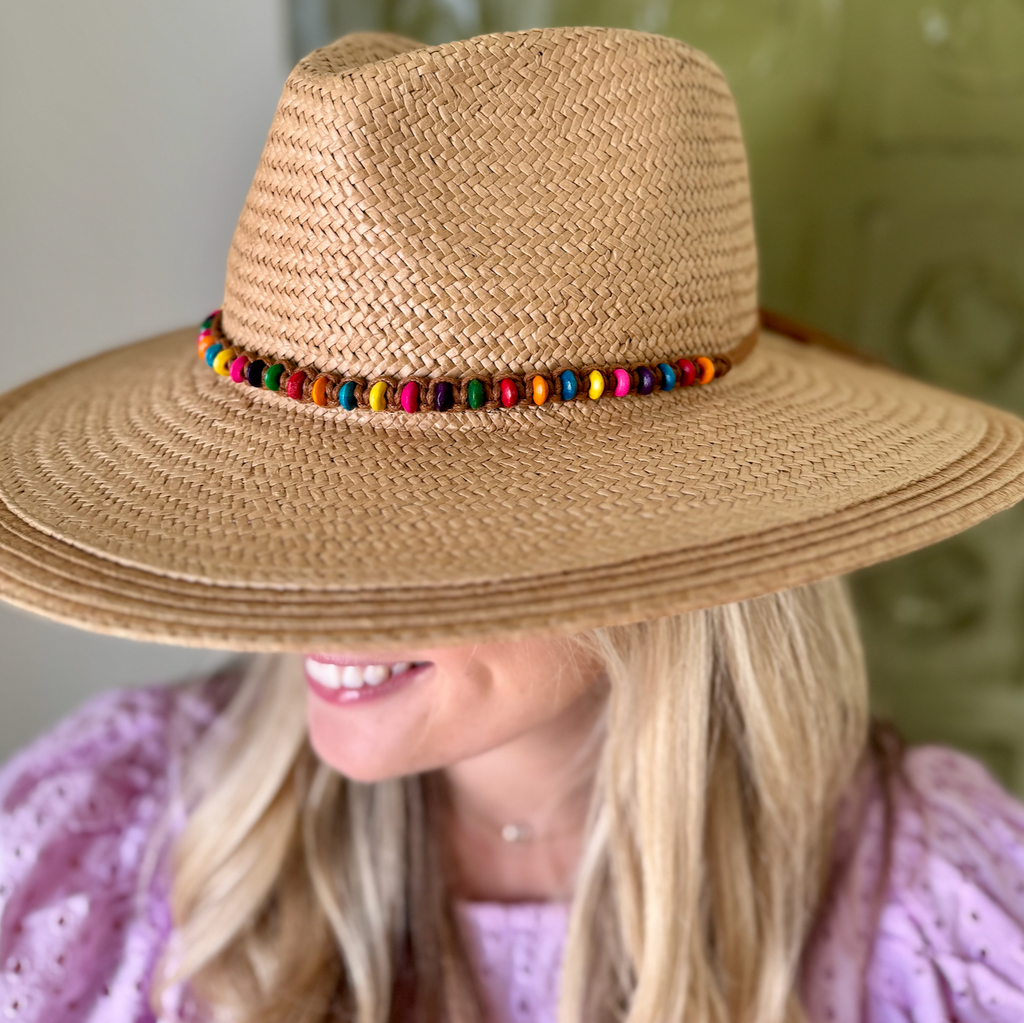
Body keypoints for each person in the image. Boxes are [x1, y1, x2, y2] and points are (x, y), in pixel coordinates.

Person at [1, 24, 1024, 1023]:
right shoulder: (101, 841)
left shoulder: (933, 906)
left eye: (429, 526)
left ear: (663, 529)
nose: (316, 586)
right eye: (286, 510)